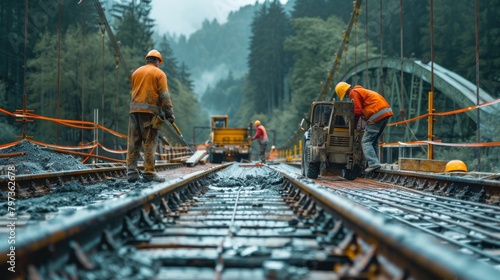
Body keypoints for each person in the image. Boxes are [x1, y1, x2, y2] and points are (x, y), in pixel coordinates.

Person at [126, 50, 175, 183]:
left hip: (134, 111)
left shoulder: (136, 72)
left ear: (147, 60)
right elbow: (164, 95)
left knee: (133, 142)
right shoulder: (159, 73)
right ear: (158, 61)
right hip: (150, 113)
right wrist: (169, 113)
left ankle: (131, 173)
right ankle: (149, 173)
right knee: (150, 141)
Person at [334, 82, 393, 173]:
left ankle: (373, 164)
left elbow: (357, 111)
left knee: (366, 141)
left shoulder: (353, 93)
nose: (347, 97)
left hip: (376, 114)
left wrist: (353, 125)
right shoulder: (361, 90)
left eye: (345, 96)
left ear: (345, 92)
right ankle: (375, 163)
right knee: (373, 141)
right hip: (385, 113)